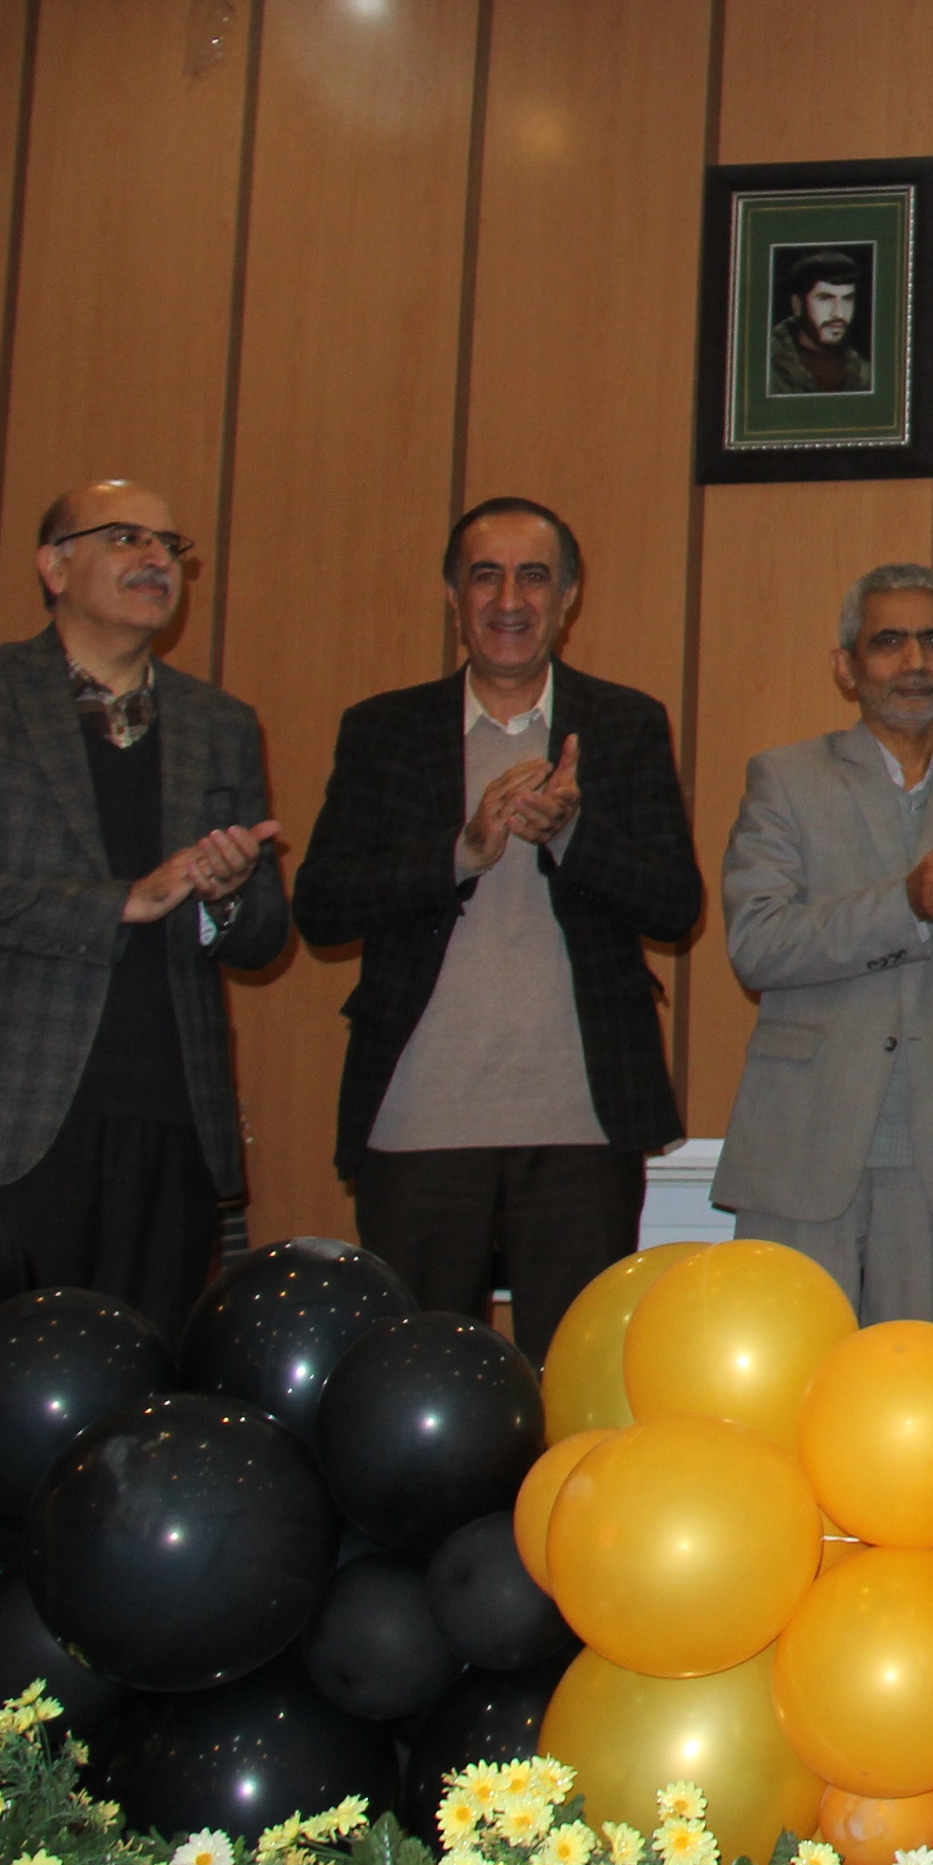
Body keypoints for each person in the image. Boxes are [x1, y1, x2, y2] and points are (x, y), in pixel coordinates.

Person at [295, 498, 706, 1357]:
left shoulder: (623, 723)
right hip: (418, 1119)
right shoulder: (384, 729)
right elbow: (322, 905)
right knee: (416, 1376)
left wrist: (571, 835)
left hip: (582, 1123)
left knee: (575, 1381)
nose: (509, 599)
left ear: (569, 596)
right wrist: (461, 853)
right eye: (486, 576)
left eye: (533, 577)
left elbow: (676, 904)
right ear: (453, 594)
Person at [0, 482, 290, 1331]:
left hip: (171, 1119)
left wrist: (224, 897)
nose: (158, 559)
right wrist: (120, 902)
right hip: (2, 1117)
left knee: (140, 1375)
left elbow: (264, 936)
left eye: (171, 545)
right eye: (127, 537)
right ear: (54, 565)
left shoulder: (221, 724)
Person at [716, 564, 933, 1325]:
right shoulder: (785, 779)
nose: (915, 662)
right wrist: (908, 904)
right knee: (796, 1373)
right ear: (846, 666)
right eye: (889, 642)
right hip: (805, 1138)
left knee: (925, 1380)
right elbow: (757, 944)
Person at [770, 250, 872, 396]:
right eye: (825, 298)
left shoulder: (865, 374)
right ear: (798, 305)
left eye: (847, 299)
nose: (839, 313)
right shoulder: (764, 365)